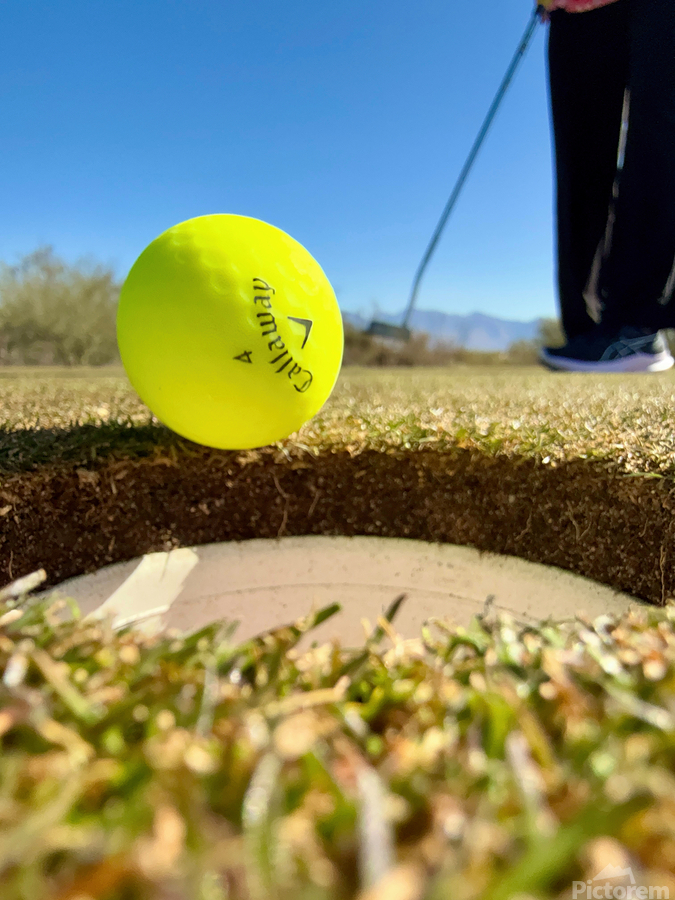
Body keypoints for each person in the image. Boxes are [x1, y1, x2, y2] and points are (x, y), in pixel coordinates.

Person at [538, 0, 675, 373]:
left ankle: (636, 326)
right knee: (580, 155)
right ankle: (587, 331)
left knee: (657, 137)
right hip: (573, 12)